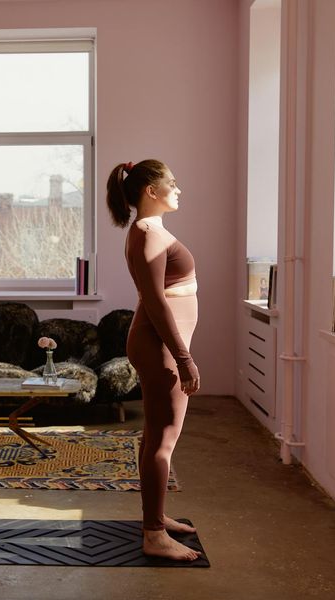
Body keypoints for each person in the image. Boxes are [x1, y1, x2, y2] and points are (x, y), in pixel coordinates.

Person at [106, 159, 201, 561]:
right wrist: (184, 359)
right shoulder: (146, 234)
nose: (178, 190)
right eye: (172, 184)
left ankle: (157, 517)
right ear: (150, 191)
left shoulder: (153, 230)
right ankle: (154, 534)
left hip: (161, 344)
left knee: (157, 438)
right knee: (163, 442)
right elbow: (157, 302)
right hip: (159, 346)